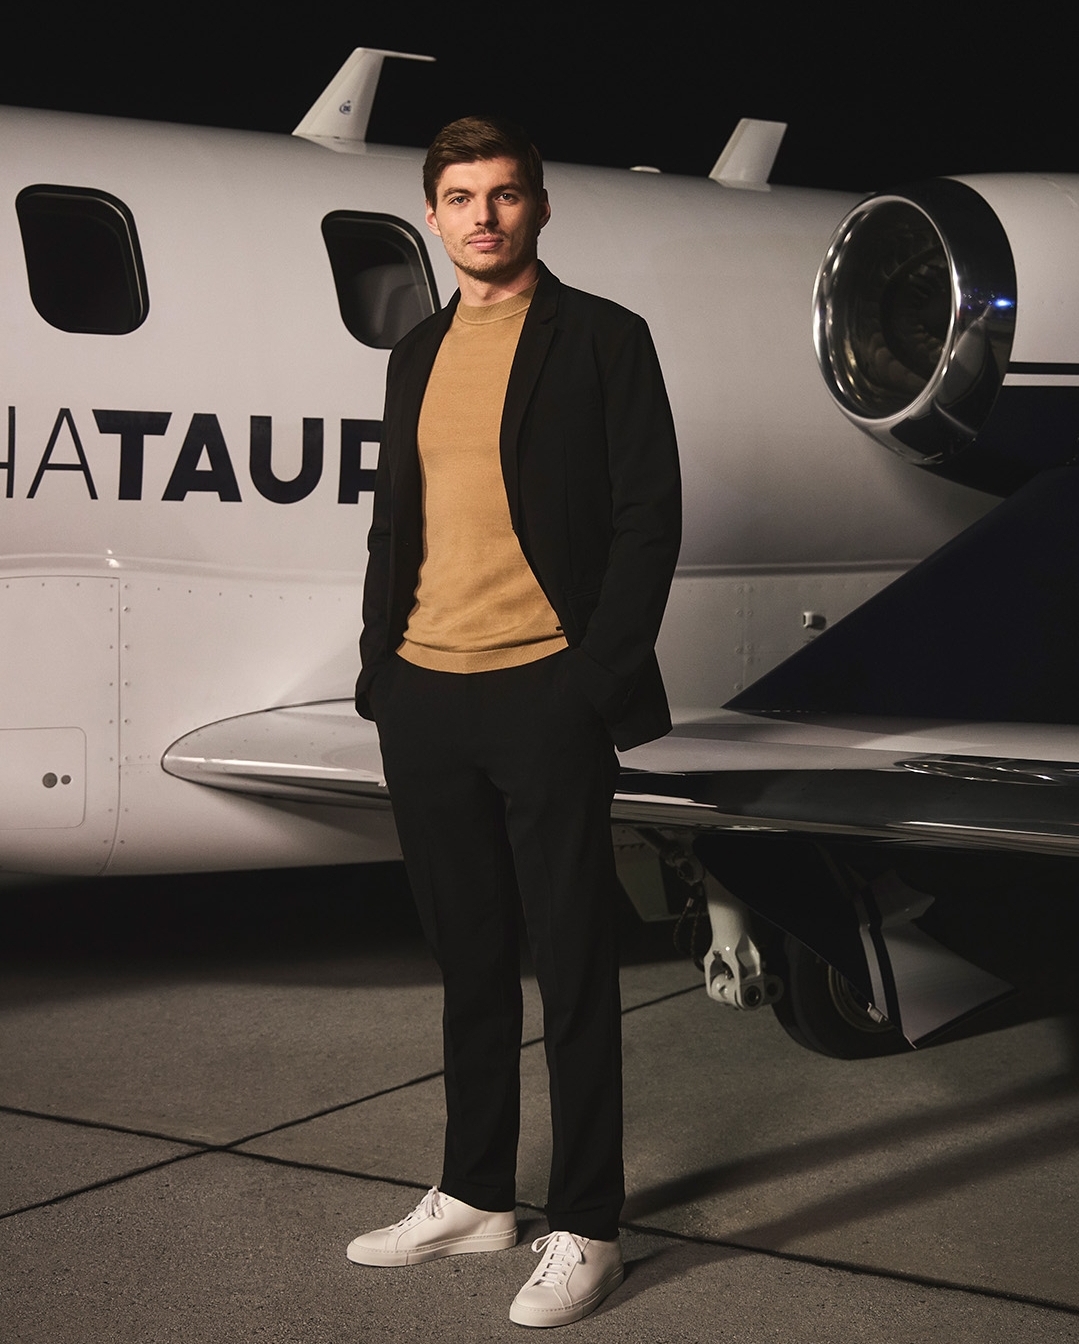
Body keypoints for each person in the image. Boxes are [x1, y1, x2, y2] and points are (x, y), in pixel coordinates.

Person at [348, 115, 681, 1328]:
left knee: (573, 964)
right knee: (469, 961)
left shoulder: (602, 339)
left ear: (538, 206)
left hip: (545, 689)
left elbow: (649, 516)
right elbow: (395, 522)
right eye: (458, 196)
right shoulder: (414, 352)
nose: (480, 215)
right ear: (432, 216)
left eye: (501, 193)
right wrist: (381, 670)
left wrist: (591, 679)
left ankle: (587, 1225)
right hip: (425, 695)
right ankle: (476, 1194)